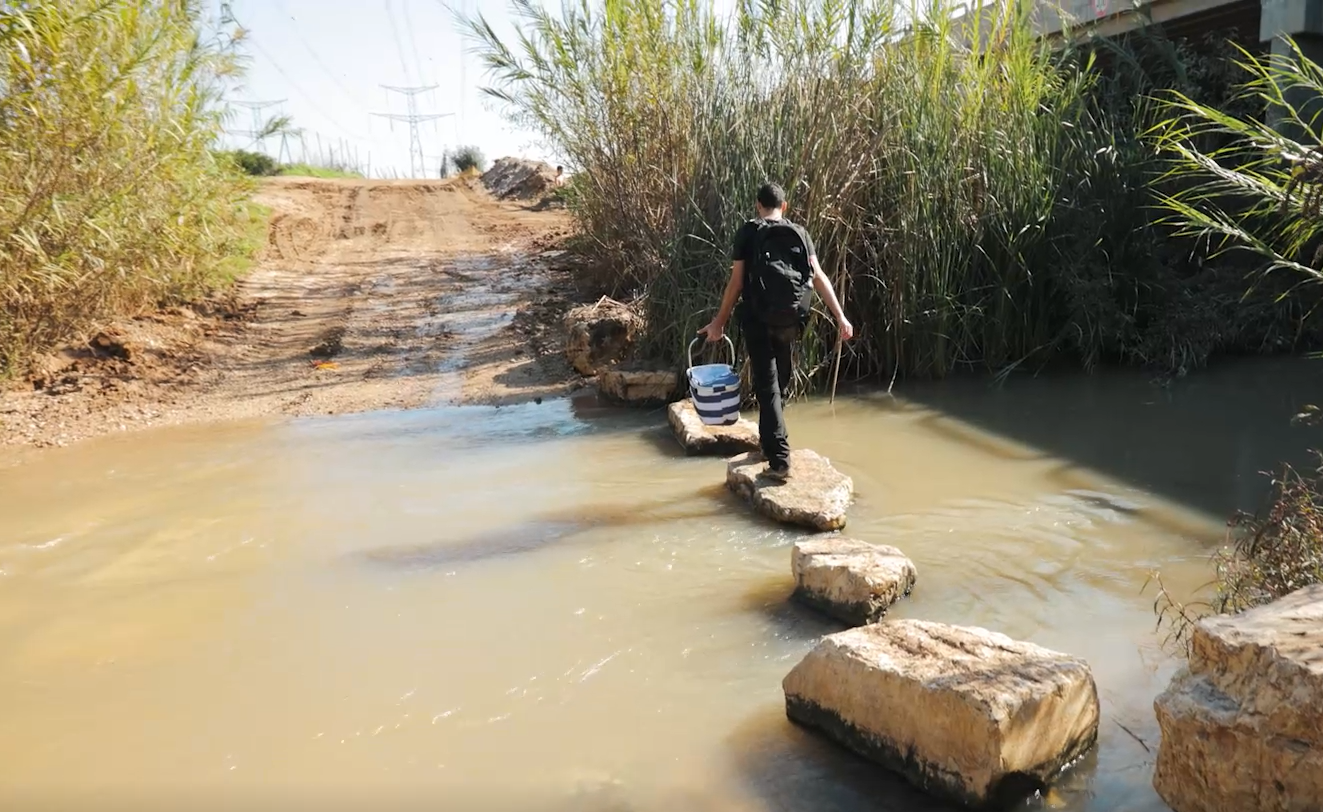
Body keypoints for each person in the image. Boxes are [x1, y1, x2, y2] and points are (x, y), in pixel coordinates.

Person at [697, 182, 853, 481]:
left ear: (758, 205)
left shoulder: (749, 232)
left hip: (758, 318)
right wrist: (841, 316)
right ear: (785, 206)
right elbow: (819, 278)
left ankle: (780, 460)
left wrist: (719, 321)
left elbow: (737, 283)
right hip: (791, 320)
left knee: (768, 387)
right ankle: (769, 446)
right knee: (778, 383)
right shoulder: (800, 234)